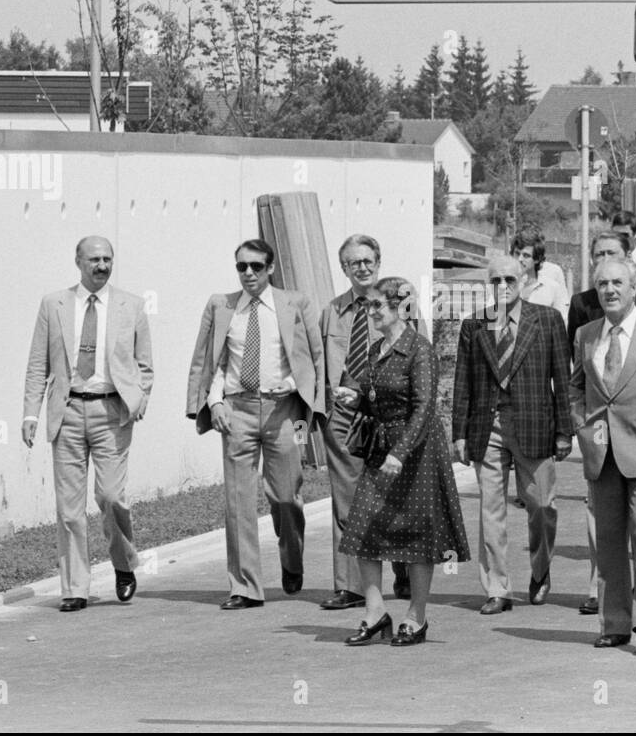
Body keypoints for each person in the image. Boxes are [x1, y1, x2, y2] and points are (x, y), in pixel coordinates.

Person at [185, 239, 325, 610]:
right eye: (241, 267)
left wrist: (295, 385)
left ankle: (292, 560)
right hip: (237, 411)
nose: (248, 273)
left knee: (286, 496)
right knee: (238, 501)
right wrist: (214, 402)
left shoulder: (296, 303)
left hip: (286, 412)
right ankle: (245, 586)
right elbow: (210, 361)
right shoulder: (221, 306)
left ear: (271, 268)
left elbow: (315, 357)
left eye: (256, 267)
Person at [22, 236, 153, 612]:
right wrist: (31, 413)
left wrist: (139, 397)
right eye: (94, 259)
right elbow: (37, 365)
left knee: (111, 497)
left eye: (107, 259)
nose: (101, 266)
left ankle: (124, 564)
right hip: (67, 412)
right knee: (69, 509)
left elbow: (145, 365)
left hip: (111, 412)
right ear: (78, 261)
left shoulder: (132, 305)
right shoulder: (54, 304)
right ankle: (75, 588)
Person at [339, 278, 471, 646]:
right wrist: (356, 400)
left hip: (416, 453)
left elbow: (425, 407)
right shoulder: (376, 349)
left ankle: (417, 615)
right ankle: (375, 610)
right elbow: (375, 397)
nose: (371, 312)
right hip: (381, 449)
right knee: (363, 526)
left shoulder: (420, 350)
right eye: (368, 306)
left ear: (399, 307)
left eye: (377, 306)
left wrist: (400, 452)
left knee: (417, 535)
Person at [453, 256, 573, 614]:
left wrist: (564, 431)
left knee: (541, 505)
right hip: (487, 427)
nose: (502, 285)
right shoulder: (474, 325)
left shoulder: (547, 320)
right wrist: (459, 432)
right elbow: (462, 383)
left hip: (535, 426)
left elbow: (562, 381)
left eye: (509, 278)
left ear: (524, 280)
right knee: (490, 510)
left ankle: (540, 568)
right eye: (495, 280)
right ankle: (497, 588)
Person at [569, 255, 636, 653]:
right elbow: (575, 387)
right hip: (601, 451)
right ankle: (614, 622)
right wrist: (582, 426)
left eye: (617, 283)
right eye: (602, 285)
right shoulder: (586, 335)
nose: (610, 290)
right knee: (608, 540)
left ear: (634, 289)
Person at [318, 234, 409, 611]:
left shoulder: (395, 306)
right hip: (343, 415)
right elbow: (322, 359)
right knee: (347, 503)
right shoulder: (332, 311)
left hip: (384, 414)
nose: (362, 267)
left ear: (379, 262)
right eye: (354, 262)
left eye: (368, 260)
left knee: (393, 500)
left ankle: (405, 566)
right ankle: (351, 586)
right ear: (344, 268)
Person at [511, 230, 569, 319]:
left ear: (537, 259)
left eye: (526, 255)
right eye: (517, 253)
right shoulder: (500, 284)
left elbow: (562, 324)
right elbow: (490, 322)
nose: (520, 259)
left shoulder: (552, 289)